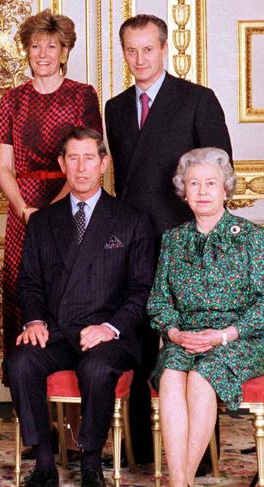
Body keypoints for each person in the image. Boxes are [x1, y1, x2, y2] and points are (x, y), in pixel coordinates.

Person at [104, 13, 233, 464]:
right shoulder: (115, 107)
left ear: (164, 49)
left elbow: (217, 175)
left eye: (148, 49)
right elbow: (122, 183)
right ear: (123, 52)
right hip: (133, 242)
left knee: (197, 343)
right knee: (137, 338)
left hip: (188, 244)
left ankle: (202, 455)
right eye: (131, 50)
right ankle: (141, 448)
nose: (139, 58)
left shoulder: (197, 99)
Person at [6, 128, 155, 487]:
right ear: (62, 164)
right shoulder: (43, 221)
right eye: (73, 158)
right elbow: (28, 283)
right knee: (20, 361)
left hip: (110, 334)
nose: (82, 167)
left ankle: (90, 461)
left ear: (103, 164)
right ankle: (43, 461)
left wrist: (110, 328)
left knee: (98, 369)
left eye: (90, 158)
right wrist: (35, 320)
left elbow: (141, 289)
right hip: (56, 330)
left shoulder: (132, 219)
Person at [148, 147, 264, 487]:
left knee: (201, 377)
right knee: (171, 373)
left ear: (225, 188)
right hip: (185, 337)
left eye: (210, 183)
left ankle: (177, 483)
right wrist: (174, 334)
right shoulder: (173, 240)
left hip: (240, 339)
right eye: (193, 183)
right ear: (184, 192)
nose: (201, 191)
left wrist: (225, 334)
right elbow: (158, 302)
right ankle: (180, 482)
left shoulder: (253, 239)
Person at [0, 9, 102, 358]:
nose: (42, 54)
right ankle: (27, 390)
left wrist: (54, 210)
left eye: (51, 46)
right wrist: (27, 211)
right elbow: (3, 166)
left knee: (68, 285)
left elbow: (89, 160)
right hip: (22, 209)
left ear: (65, 51)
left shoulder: (81, 95)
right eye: (35, 46)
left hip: (72, 202)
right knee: (20, 287)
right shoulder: (12, 98)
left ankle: (71, 393)